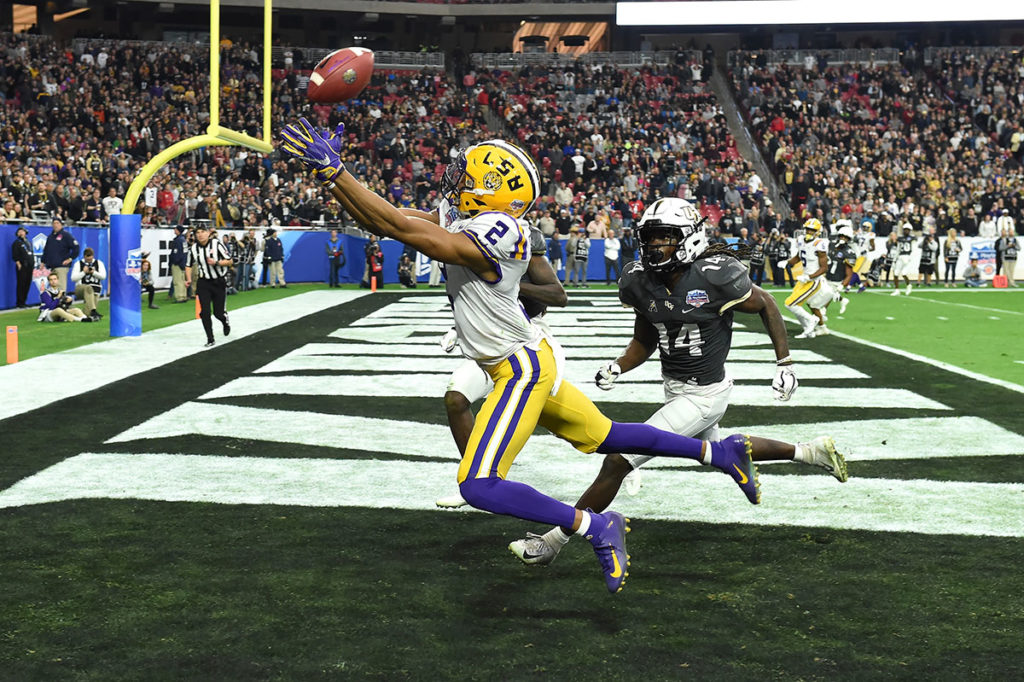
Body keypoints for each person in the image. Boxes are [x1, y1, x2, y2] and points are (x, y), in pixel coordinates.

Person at [280, 119, 827, 592]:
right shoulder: (472, 220)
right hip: (523, 359)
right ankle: (719, 454)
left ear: (499, 193)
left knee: (478, 485)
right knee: (609, 436)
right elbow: (386, 219)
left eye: (469, 177)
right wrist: (334, 176)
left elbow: (399, 227)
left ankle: (593, 527)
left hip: (517, 367)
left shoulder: (502, 230)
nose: (455, 181)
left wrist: (337, 172)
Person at [508, 198, 848, 567]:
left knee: (617, 462)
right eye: (650, 238)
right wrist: (620, 366)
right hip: (675, 387)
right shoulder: (640, 280)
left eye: (665, 238)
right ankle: (810, 452)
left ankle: (553, 541)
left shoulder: (714, 275)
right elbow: (646, 338)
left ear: (688, 238)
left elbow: (767, 303)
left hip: (705, 394)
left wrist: (784, 361)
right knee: (718, 449)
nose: (655, 246)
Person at [435, 222, 569, 509]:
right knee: (456, 399)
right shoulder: (476, 254)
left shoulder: (523, 247)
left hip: (528, 346)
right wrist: (456, 328)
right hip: (492, 348)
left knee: (572, 427)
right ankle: (473, 478)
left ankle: (625, 459)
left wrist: (512, 283)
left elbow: (559, 296)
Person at [785, 218, 838, 338]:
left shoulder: (819, 244)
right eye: (807, 229)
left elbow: (824, 268)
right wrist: (787, 262)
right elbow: (799, 256)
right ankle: (809, 329)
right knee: (803, 305)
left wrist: (809, 277)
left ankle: (812, 321)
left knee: (791, 304)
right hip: (804, 279)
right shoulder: (800, 240)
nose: (809, 232)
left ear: (817, 232)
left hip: (813, 280)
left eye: (812, 230)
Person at [184, 226, 232, 347]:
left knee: (218, 313)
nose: (200, 235)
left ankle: (225, 321)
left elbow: (230, 261)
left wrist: (216, 262)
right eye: (198, 233)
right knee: (204, 312)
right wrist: (188, 279)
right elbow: (188, 265)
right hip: (203, 282)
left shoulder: (217, 244)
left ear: (208, 233)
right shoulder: (193, 248)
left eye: (202, 232)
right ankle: (210, 338)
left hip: (218, 281)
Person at [41, 218, 79, 291]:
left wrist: (70, 258)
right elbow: (46, 250)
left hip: (61, 266)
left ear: (61, 224)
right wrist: (43, 262)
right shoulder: (50, 237)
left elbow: (76, 247)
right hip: (51, 266)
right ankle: (55, 302)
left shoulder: (66, 235)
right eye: (54, 223)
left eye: (57, 223)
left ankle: (62, 301)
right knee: (53, 287)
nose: (55, 225)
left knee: (61, 287)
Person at [70, 246, 107, 321]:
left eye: (90, 259)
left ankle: (74, 313)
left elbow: (103, 276)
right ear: (84, 256)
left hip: (95, 290)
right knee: (88, 288)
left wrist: (94, 272)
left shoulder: (99, 263)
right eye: (87, 259)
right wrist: (83, 272)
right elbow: (73, 278)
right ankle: (94, 311)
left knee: (87, 314)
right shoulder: (78, 264)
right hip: (81, 288)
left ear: (93, 256)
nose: (89, 261)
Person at [11, 225, 34, 308]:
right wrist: (18, 264)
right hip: (22, 265)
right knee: (21, 283)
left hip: (30, 265)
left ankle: (24, 301)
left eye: (22, 231)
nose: (21, 233)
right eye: (19, 231)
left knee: (27, 283)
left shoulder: (28, 242)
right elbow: (15, 255)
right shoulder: (16, 243)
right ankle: (19, 302)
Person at [890, 224, 916, 296]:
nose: (906, 231)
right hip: (900, 257)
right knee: (895, 273)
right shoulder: (900, 238)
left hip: (907, 257)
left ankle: (909, 285)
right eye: (905, 229)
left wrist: (910, 258)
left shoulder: (912, 238)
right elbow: (898, 249)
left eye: (908, 230)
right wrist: (895, 259)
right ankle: (897, 289)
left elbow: (914, 249)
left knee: (904, 273)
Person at [169, 225, 188, 302]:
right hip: (183, 262)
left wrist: (175, 261)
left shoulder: (178, 240)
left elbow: (176, 253)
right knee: (182, 280)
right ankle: (183, 296)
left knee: (177, 281)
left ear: (178, 230)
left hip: (178, 263)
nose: (174, 230)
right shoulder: (183, 240)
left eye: (175, 229)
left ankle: (179, 297)